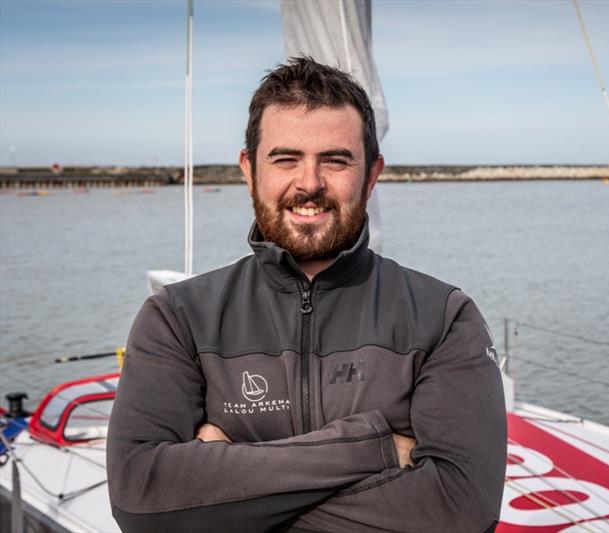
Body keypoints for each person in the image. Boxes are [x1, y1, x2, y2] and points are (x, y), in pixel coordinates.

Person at [107, 57, 506, 533]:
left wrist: (226, 490)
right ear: (249, 170)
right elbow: (139, 498)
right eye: (285, 159)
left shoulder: (441, 317)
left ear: (372, 174)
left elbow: (460, 509)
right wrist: (372, 447)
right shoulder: (178, 318)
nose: (309, 184)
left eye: (335, 160)